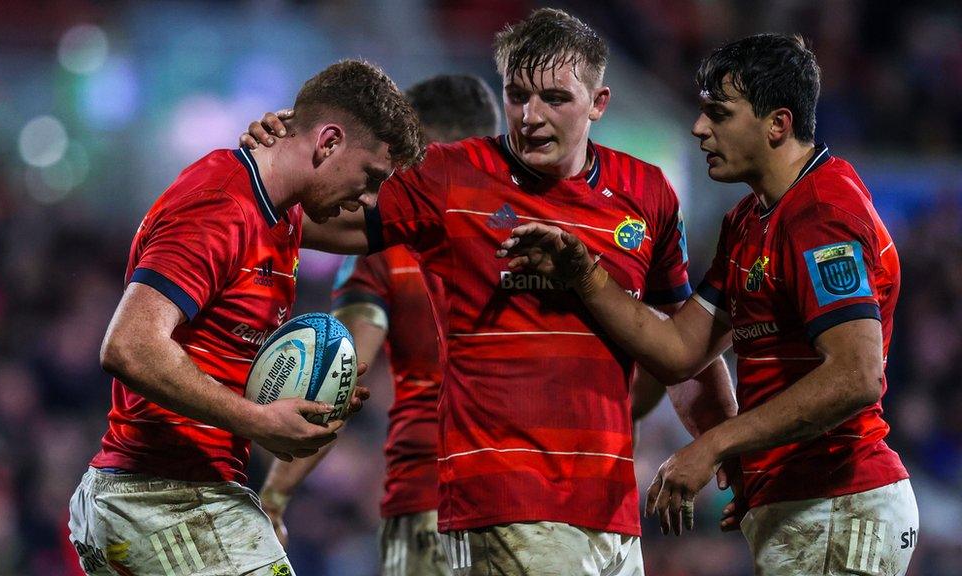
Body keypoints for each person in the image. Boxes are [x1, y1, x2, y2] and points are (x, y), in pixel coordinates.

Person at [242, 9, 736, 576]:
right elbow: (326, 220)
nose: (531, 116)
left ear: (599, 102)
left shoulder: (647, 192)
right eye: (517, 95)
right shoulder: (450, 175)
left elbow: (684, 347)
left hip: (610, 507)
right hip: (503, 499)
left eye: (555, 98)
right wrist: (268, 167)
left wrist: (724, 451)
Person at [498, 34, 917, 575]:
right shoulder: (748, 221)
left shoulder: (820, 214)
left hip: (840, 501)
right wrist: (584, 273)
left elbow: (857, 375)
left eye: (719, 114)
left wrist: (714, 444)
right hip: (807, 506)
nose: (700, 129)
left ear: (778, 125)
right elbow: (680, 350)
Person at [67, 60, 424, 576]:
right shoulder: (221, 204)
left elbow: (380, 227)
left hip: (169, 496)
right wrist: (259, 422)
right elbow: (128, 344)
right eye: (370, 177)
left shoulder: (282, 213)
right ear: (327, 143)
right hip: (162, 498)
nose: (368, 197)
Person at [254, 73, 501, 576]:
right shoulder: (552, 230)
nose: (388, 181)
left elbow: (339, 372)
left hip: (430, 501)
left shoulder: (385, 248)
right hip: (540, 499)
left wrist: (276, 494)